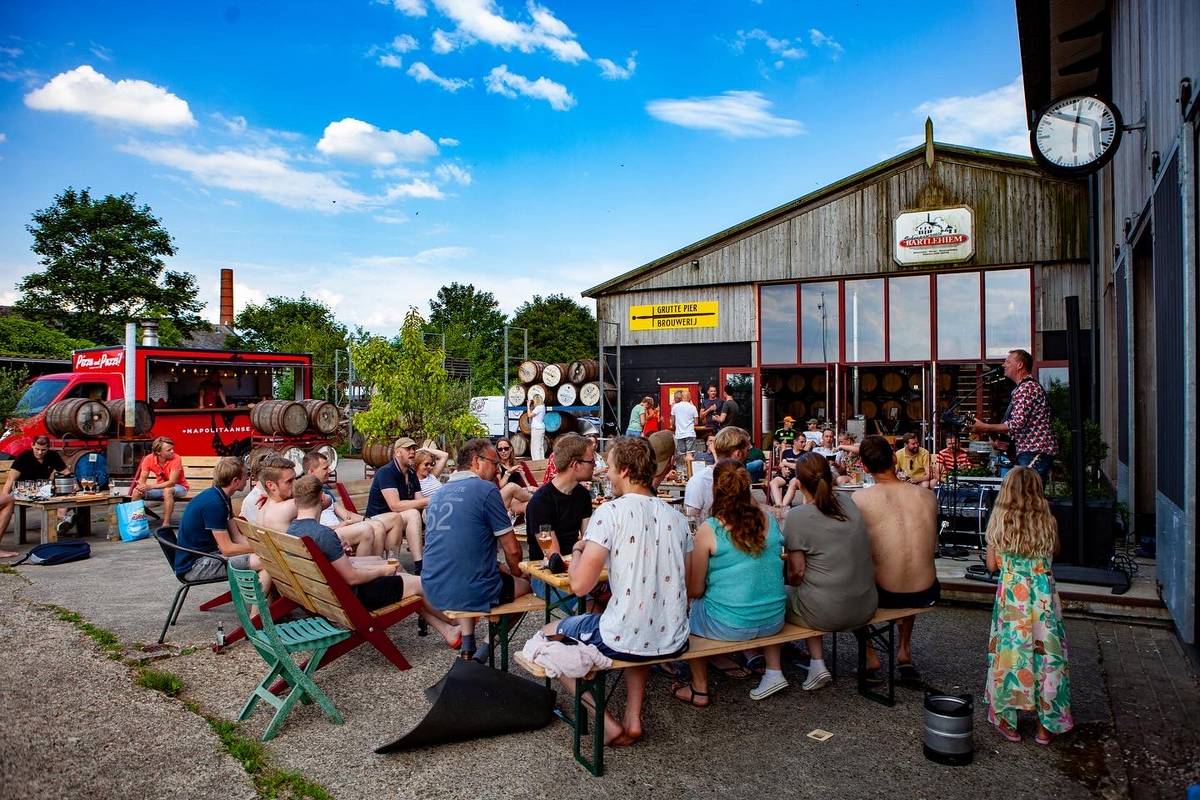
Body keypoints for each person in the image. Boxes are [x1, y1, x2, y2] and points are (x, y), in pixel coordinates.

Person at [540, 436, 692, 747]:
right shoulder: (677, 519)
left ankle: (606, 722)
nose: (605, 473)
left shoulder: (610, 513)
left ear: (624, 470)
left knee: (544, 638)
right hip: (673, 637)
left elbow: (580, 586)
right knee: (638, 626)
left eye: (608, 467)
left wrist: (579, 550)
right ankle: (633, 719)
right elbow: (689, 585)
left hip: (625, 635)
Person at [286, 475, 460, 646]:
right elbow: (352, 578)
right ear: (322, 497)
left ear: (296, 502)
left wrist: (348, 555)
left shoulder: (292, 531)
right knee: (418, 583)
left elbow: (331, 566)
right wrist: (382, 571)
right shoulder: (323, 534)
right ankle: (453, 620)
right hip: (354, 600)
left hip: (327, 598)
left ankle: (448, 630)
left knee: (392, 568)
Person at [674, 461, 788, 707]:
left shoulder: (710, 529)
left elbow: (696, 590)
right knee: (763, 588)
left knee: (688, 611)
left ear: (715, 489)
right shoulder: (768, 520)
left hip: (730, 624)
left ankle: (699, 687)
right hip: (774, 619)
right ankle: (774, 670)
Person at [984, 466, 1073, 744]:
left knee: (1010, 655)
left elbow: (991, 565)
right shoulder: (1049, 522)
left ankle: (1008, 721)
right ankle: (1046, 725)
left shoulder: (999, 522)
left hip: (1013, 598)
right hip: (1043, 598)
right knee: (1048, 657)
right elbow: (1054, 552)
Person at [421, 438, 532, 659]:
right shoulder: (486, 490)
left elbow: (460, 546)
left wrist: (498, 566)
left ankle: (468, 643)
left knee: (471, 572)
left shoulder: (438, 494)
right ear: (476, 461)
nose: (497, 470)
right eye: (494, 463)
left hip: (432, 587)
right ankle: (485, 651)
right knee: (528, 586)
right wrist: (518, 574)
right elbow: (513, 550)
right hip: (470, 588)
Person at [783, 452, 878, 691]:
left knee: (779, 595)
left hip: (828, 613)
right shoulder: (848, 502)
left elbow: (796, 574)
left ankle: (810, 663)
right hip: (866, 604)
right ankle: (868, 654)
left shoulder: (797, 516)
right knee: (826, 584)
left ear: (799, 483)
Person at [853, 435, 939, 682]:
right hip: (927, 591)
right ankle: (904, 650)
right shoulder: (928, 497)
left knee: (848, 582)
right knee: (908, 562)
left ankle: (870, 654)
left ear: (865, 467)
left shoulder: (860, 499)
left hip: (887, 593)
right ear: (894, 459)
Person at [972, 348, 1058, 486]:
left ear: (1020, 365)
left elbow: (1017, 423)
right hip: (1032, 450)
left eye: (1008, 362)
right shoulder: (1025, 387)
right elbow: (1025, 425)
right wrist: (1004, 442)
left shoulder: (1026, 388)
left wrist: (985, 427)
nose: (1004, 365)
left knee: (1027, 494)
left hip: (1034, 451)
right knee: (1027, 494)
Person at [173, 457, 262, 583]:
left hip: (207, 556)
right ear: (235, 481)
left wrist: (261, 547)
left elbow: (237, 537)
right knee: (266, 562)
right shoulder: (215, 504)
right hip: (195, 567)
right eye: (246, 475)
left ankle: (255, 594)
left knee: (267, 559)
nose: (248, 478)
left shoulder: (221, 496)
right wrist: (262, 550)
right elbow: (228, 549)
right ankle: (255, 596)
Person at [524, 433, 593, 566]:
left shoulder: (583, 495)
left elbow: (588, 539)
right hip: (546, 571)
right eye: (591, 461)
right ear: (575, 465)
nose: (594, 465)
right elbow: (553, 556)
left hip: (574, 563)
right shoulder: (541, 502)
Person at [303, 450, 384, 556]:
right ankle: (372, 563)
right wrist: (340, 525)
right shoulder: (304, 495)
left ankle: (381, 561)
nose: (330, 471)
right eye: (325, 468)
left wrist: (366, 519)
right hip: (328, 534)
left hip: (340, 529)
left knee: (379, 525)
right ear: (311, 471)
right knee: (370, 529)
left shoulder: (325, 491)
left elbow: (346, 515)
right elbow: (310, 528)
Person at [0, 435, 69, 557]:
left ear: (48, 448)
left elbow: (67, 473)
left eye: (43, 450)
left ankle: (62, 518)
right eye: (37, 449)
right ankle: (62, 519)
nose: (40, 452)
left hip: (43, 491)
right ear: (32, 445)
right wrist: (4, 498)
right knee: (10, 500)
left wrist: (75, 484)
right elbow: (10, 480)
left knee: (64, 496)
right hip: (22, 491)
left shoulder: (52, 456)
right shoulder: (24, 457)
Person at [365, 437, 425, 573]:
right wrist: (426, 501)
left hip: (396, 518)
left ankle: (422, 564)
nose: (412, 452)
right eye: (408, 449)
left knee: (418, 514)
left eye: (413, 449)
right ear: (398, 452)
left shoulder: (411, 473)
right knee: (413, 514)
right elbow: (395, 505)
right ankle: (417, 566)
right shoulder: (386, 472)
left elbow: (420, 500)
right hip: (376, 519)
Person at [684, 426, 750, 523]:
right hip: (709, 532)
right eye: (747, 450)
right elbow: (691, 522)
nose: (748, 454)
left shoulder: (698, 480)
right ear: (738, 453)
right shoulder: (700, 480)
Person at [131, 436, 189, 524]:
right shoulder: (148, 459)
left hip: (179, 487)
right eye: (169, 450)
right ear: (158, 452)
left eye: (172, 448)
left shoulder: (176, 458)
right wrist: (141, 487)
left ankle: (166, 523)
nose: (172, 451)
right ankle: (136, 523)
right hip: (160, 488)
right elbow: (142, 479)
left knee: (167, 491)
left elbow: (172, 482)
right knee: (136, 491)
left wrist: (150, 486)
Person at [769, 440, 803, 509]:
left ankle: (784, 506)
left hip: (796, 476)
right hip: (785, 475)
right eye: (802, 442)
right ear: (795, 441)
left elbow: (799, 466)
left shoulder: (805, 454)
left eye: (804, 442)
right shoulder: (786, 452)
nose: (804, 444)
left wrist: (786, 464)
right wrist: (783, 469)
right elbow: (782, 464)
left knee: (793, 483)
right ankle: (779, 505)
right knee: (773, 483)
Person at [670, 389, 699, 456]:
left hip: (679, 434)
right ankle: (689, 462)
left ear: (682, 397)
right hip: (690, 433)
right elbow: (696, 422)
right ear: (689, 397)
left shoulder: (675, 407)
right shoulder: (693, 407)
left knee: (681, 455)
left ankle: (682, 462)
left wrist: (675, 428)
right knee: (690, 454)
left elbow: (672, 422)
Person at [528, 395, 547, 461]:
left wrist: (528, 405)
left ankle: (536, 462)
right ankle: (542, 461)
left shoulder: (538, 407)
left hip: (536, 428)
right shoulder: (543, 407)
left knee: (535, 447)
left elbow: (529, 415)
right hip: (541, 427)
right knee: (540, 447)